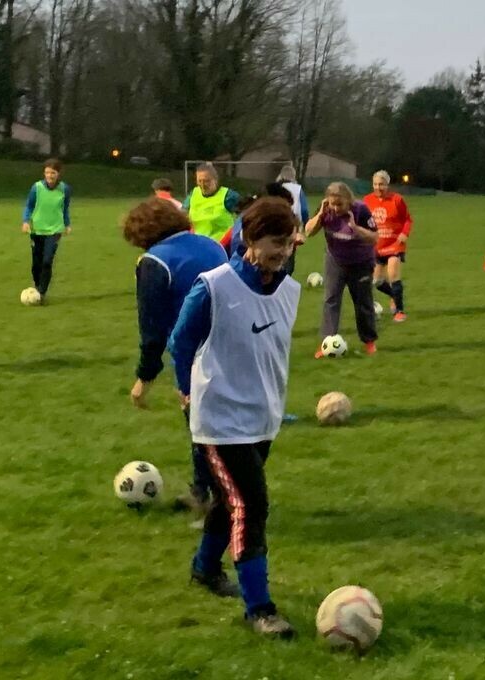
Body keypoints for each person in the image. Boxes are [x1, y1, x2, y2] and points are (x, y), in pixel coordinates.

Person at [168, 197, 301, 639]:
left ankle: (205, 569)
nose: (282, 251)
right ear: (249, 238)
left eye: (288, 242)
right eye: (273, 242)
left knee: (231, 502)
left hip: (263, 417)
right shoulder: (214, 286)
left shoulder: (290, 290)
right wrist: (188, 391)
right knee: (252, 504)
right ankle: (259, 608)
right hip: (220, 420)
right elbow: (181, 341)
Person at [123, 197, 228, 513]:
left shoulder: (154, 262)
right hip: (233, 342)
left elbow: (152, 330)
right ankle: (204, 492)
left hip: (195, 353)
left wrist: (144, 378)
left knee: (202, 427)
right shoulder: (212, 246)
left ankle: (217, 502)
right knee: (217, 426)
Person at [303, 182, 379, 357]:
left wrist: (356, 228)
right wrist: (320, 215)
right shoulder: (325, 210)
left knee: (363, 302)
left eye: (340, 204)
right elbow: (308, 231)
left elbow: (374, 237)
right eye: (332, 204)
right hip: (335, 260)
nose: (335, 208)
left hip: (360, 263)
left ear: (349, 201)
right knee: (331, 300)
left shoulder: (361, 210)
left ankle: (369, 341)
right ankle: (327, 343)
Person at [363, 170, 413, 322]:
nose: (379, 187)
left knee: (393, 275)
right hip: (376, 247)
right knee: (377, 281)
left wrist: (404, 233)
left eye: (382, 184)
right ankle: (393, 295)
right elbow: (362, 221)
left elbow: (408, 220)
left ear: (387, 185)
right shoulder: (366, 201)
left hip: (394, 244)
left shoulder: (397, 200)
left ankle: (399, 311)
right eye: (376, 184)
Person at [21, 158, 72, 303]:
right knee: (36, 263)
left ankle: (41, 293)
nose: (50, 176)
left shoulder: (65, 189)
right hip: (37, 230)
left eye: (53, 173)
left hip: (55, 230)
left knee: (47, 261)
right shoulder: (36, 188)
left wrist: (67, 224)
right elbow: (29, 206)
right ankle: (37, 286)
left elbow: (65, 208)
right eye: (47, 173)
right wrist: (25, 221)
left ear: (59, 173)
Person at [183, 163, 241, 242]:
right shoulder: (193, 195)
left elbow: (246, 214)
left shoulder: (228, 196)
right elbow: (182, 215)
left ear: (215, 180)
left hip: (222, 246)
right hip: (199, 244)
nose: (203, 185)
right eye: (199, 181)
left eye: (207, 181)